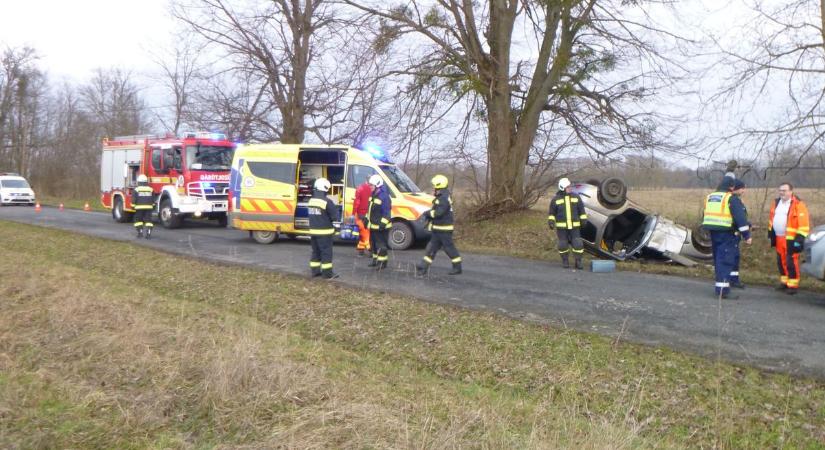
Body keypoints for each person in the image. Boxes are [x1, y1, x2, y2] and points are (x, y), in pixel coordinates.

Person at [702, 177, 752, 299]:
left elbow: (705, 214)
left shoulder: (710, 197)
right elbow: (740, 219)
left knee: (720, 259)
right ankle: (722, 290)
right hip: (727, 234)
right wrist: (747, 235)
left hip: (713, 233)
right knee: (725, 261)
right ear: (731, 187)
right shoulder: (731, 198)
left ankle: (730, 282)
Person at [768, 182, 810, 295]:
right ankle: (784, 282)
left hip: (791, 239)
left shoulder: (798, 204)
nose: (782, 192)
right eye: (780, 190)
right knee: (780, 261)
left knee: (791, 261)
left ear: (791, 191)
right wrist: (770, 234)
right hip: (778, 238)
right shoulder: (776, 203)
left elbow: (804, 224)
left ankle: (793, 285)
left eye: (784, 190)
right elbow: (772, 219)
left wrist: (799, 239)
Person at [416, 174, 462, 276]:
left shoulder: (444, 198)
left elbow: (438, 213)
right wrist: (428, 213)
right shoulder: (441, 196)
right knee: (431, 248)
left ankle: (457, 267)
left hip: (444, 229)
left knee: (449, 248)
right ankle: (423, 267)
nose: (433, 188)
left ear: (439, 186)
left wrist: (427, 214)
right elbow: (435, 210)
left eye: (434, 186)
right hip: (437, 229)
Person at [548, 177, 587, 269]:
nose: (570, 188)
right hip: (562, 228)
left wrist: (584, 220)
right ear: (562, 188)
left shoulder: (576, 197)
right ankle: (565, 260)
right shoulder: (555, 199)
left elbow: (581, 210)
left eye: (570, 186)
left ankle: (578, 261)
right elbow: (552, 213)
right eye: (568, 187)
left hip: (574, 227)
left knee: (578, 244)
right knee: (563, 245)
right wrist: (551, 221)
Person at [308, 178, 339, 279]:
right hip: (325, 233)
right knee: (326, 252)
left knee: (315, 251)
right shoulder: (327, 202)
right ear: (325, 188)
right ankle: (327, 274)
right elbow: (335, 217)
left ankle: (315, 271)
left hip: (313, 231)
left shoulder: (311, 200)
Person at [367, 174, 392, 270]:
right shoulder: (373, 195)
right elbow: (370, 210)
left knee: (381, 245)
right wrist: (366, 219)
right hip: (373, 225)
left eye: (371, 185)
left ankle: (382, 263)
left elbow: (387, 212)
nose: (370, 187)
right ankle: (375, 260)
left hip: (382, 227)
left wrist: (383, 224)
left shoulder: (384, 197)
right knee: (373, 244)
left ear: (377, 185)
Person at [729, 179, 749, 289]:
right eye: (742, 188)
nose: (743, 191)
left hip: (732, 233)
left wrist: (748, 223)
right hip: (732, 234)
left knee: (735, 257)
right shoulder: (734, 200)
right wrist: (747, 235)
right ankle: (732, 280)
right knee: (733, 257)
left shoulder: (729, 199)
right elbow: (739, 219)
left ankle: (733, 279)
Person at [351, 178, 372, 256]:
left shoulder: (360, 188)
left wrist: (353, 213)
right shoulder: (374, 189)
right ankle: (371, 251)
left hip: (361, 214)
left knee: (362, 232)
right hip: (370, 213)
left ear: (365, 180)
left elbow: (357, 202)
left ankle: (362, 251)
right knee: (369, 232)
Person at [132, 174, 155, 239]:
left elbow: (134, 200)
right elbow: (153, 199)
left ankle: (140, 233)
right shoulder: (151, 189)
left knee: (138, 220)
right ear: (146, 182)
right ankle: (148, 234)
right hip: (149, 208)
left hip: (139, 208)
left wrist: (133, 206)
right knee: (148, 221)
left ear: (139, 182)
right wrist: (152, 206)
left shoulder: (136, 190)